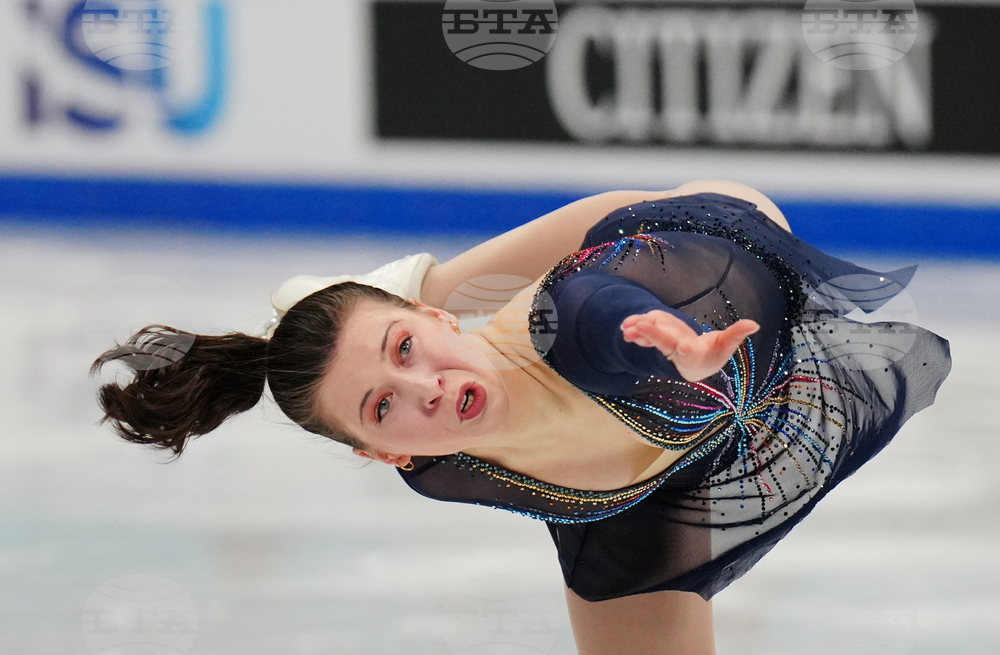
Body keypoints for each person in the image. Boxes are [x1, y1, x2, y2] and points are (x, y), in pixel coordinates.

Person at [92, 180, 951, 655]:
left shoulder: (579, 318)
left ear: (436, 331)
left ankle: (415, 290)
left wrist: (675, 349)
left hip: (697, 256)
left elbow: (612, 324)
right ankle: (381, 307)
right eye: (384, 407)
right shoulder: (437, 471)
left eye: (405, 351)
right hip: (641, 500)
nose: (422, 388)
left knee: (568, 276)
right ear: (381, 456)